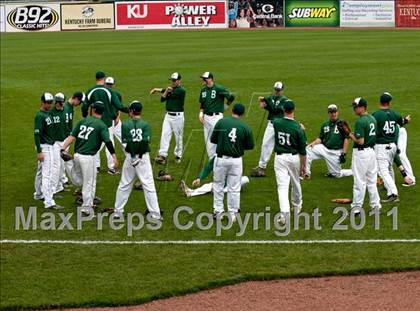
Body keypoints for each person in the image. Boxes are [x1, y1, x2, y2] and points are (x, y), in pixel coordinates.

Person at [62, 101, 118, 215]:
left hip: (77, 156)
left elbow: (72, 137)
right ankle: (87, 208)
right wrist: (114, 157)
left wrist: (62, 148)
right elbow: (108, 142)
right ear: (103, 112)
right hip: (88, 159)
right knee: (89, 183)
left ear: (92, 110)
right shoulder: (101, 125)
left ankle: (68, 163)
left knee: (78, 181)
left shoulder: (82, 121)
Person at [114, 101, 161, 219]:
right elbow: (145, 143)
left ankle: (118, 212)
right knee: (149, 185)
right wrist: (139, 157)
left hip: (130, 157)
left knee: (124, 184)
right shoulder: (145, 125)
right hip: (143, 157)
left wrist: (134, 157)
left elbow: (127, 143)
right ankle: (155, 214)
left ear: (131, 111)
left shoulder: (125, 124)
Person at [210, 103, 254, 221]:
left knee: (218, 185)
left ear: (232, 111)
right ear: (243, 114)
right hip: (236, 161)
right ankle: (233, 213)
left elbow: (213, 139)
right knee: (234, 188)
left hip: (221, 159)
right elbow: (250, 146)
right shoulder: (245, 127)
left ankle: (218, 211)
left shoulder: (221, 122)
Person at [82, 71, 128, 174]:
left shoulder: (90, 91)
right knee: (109, 143)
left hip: (94, 123)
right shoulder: (109, 91)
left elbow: (84, 106)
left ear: (96, 78)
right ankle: (112, 168)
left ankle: (95, 167)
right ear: (104, 78)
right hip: (107, 122)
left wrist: (85, 117)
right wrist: (130, 111)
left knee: (94, 144)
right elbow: (119, 106)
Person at [273, 99, 306, 225]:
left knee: (282, 187)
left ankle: (284, 214)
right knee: (295, 182)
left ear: (283, 110)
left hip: (280, 158)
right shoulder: (298, 127)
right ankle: (297, 206)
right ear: (294, 110)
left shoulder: (276, 123)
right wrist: (304, 165)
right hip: (293, 158)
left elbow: (278, 122)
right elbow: (303, 150)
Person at [346, 97, 381, 214]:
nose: (354, 109)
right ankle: (375, 206)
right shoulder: (372, 118)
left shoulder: (360, 121)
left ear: (362, 107)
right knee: (371, 181)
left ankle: (356, 208)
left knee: (359, 181)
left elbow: (360, 141)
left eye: (356, 107)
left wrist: (349, 134)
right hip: (371, 152)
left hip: (361, 153)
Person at [372, 92, 408, 202]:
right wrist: (406, 120)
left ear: (380, 102)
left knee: (383, 171)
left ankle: (393, 194)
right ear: (389, 103)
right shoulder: (394, 113)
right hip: (393, 146)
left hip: (382, 147)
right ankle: (389, 189)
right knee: (389, 168)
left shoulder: (376, 115)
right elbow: (401, 122)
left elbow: (371, 128)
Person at [33, 92, 63, 209]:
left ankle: (39, 194)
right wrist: (39, 151)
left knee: (41, 171)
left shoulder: (47, 113)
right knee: (48, 173)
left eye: (50, 103)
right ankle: (49, 201)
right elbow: (36, 134)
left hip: (48, 145)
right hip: (45, 147)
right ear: (42, 102)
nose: (49, 105)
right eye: (47, 103)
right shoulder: (40, 116)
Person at [305, 104, 352, 178]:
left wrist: (344, 154)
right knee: (308, 149)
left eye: (335, 112)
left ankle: (353, 171)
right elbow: (320, 138)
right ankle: (306, 173)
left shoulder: (342, 124)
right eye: (331, 112)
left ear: (337, 112)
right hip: (324, 149)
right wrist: (313, 143)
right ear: (328, 113)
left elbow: (346, 139)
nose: (333, 114)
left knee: (336, 175)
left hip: (335, 152)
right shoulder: (325, 124)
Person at [251, 81, 287, 177]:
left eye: (278, 90)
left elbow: (275, 109)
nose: (277, 92)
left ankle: (284, 166)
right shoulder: (271, 98)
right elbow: (268, 108)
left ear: (282, 90)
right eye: (276, 90)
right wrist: (264, 103)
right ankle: (262, 167)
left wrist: (266, 100)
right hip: (271, 124)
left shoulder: (285, 100)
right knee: (265, 144)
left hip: (280, 125)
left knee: (281, 145)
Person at [150, 72, 186, 165]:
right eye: (172, 80)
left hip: (178, 117)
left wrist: (164, 91)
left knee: (178, 137)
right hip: (168, 116)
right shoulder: (171, 89)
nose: (173, 82)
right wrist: (157, 89)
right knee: (165, 134)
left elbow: (165, 94)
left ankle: (178, 156)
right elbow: (163, 99)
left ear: (179, 81)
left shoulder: (181, 91)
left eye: (174, 80)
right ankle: (162, 156)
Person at [199, 72, 235, 159]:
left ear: (211, 79)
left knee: (219, 139)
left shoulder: (219, 88)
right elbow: (202, 104)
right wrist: (200, 114)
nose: (203, 80)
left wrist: (225, 107)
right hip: (206, 118)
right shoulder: (203, 90)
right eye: (203, 78)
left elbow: (231, 97)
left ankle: (224, 158)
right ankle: (213, 161)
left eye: (205, 78)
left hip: (216, 118)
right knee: (208, 141)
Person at [180, 156, 250, 197]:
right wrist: (199, 178)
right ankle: (190, 192)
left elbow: (237, 174)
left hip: (231, 182)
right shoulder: (217, 156)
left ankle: (219, 190)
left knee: (245, 179)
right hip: (224, 183)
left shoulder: (236, 158)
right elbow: (207, 168)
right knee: (211, 186)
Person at [60, 91, 85, 185]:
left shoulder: (70, 108)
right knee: (61, 159)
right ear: (75, 98)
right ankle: (60, 181)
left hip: (67, 137)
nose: (79, 104)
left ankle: (62, 179)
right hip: (62, 138)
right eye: (80, 102)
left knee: (62, 160)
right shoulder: (65, 107)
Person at [50, 92, 68, 193]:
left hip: (64, 141)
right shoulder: (51, 113)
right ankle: (52, 189)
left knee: (62, 164)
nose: (62, 105)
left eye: (63, 103)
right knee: (56, 165)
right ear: (56, 103)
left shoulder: (65, 111)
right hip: (55, 143)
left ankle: (59, 185)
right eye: (61, 103)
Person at [105, 76, 124, 148]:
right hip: (106, 121)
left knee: (123, 139)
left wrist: (118, 117)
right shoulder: (103, 93)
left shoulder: (117, 94)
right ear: (105, 84)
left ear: (113, 85)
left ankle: (132, 156)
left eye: (110, 84)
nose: (109, 86)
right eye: (108, 84)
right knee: (107, 141)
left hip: (116, 120)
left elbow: (120, 107)